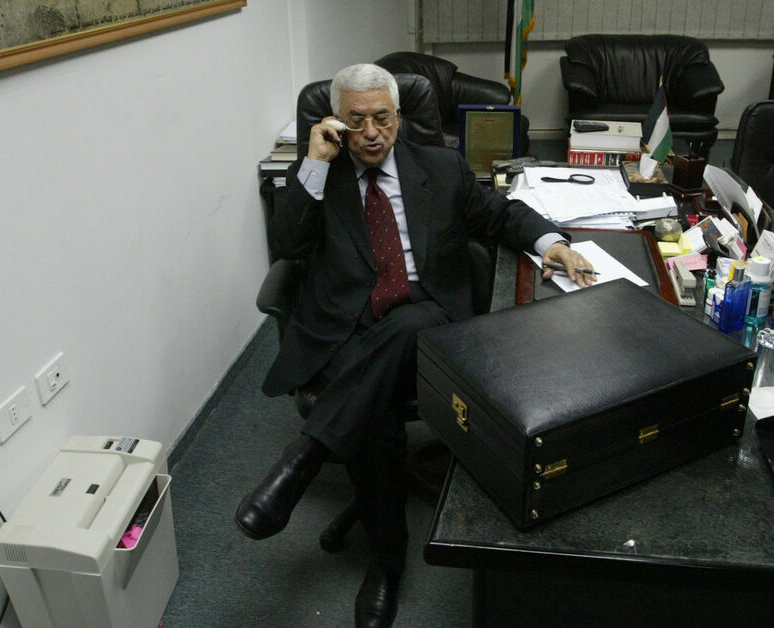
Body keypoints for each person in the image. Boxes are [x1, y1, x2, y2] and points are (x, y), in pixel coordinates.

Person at [234, 63, 594, 627]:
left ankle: (305, 459)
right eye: (356, 121)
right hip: (348, 330)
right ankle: (387, 562)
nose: (371, 133)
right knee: (373, 421)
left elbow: (498, 215)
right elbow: (287, 245)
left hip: (429, 324)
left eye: (382, 118)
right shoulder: (320, 175)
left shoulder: (441, 166)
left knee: (408, 325)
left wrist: (552, 243)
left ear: (400, 117)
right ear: (334, 123)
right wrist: (314, 163)